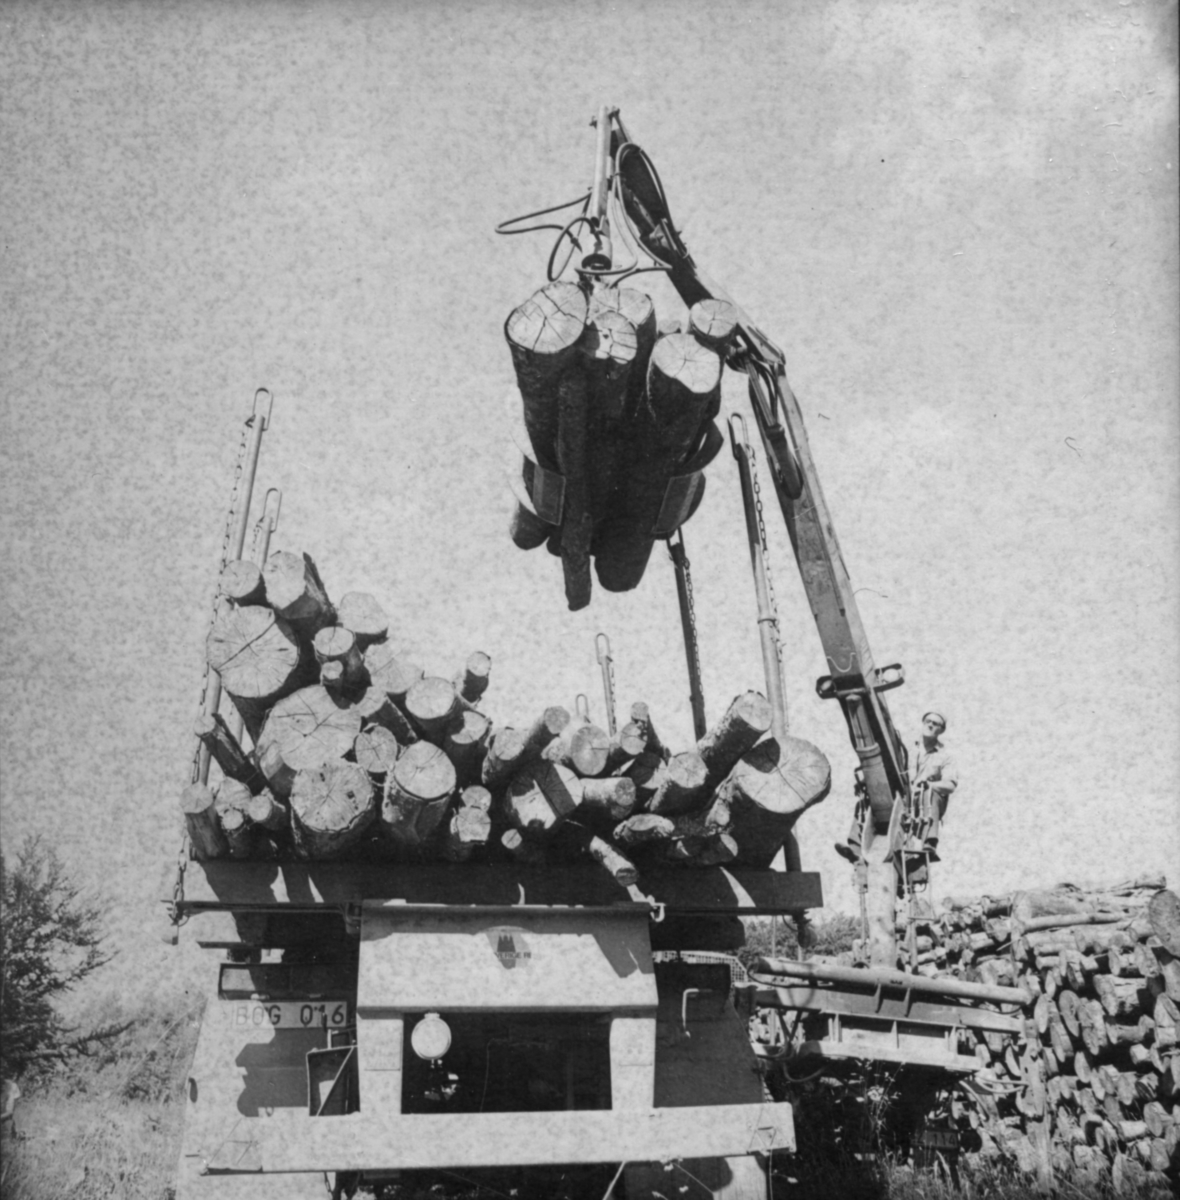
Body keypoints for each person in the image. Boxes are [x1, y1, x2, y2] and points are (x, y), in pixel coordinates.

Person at [834, 710, 958, 862]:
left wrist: (929, 784)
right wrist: (865, 781)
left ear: (942, 730)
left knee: (931, 792)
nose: (930, 725)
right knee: (869, 794)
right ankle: (854, 848)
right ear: (923, 723)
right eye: (928, 721)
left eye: (936, 723)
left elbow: (950, 785)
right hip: (903, 796)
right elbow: (888, 767)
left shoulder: (946, 756)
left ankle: (929, 843)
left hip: (923, 802)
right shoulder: (907, 747)